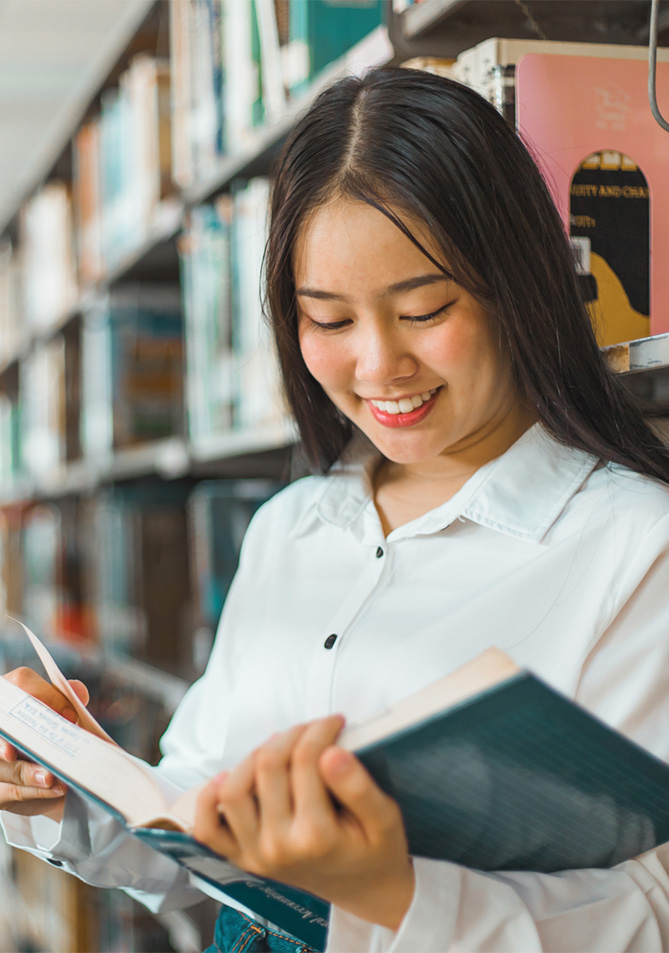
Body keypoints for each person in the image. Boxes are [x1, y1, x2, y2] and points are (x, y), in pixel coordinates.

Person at [2, 66, 669, 953]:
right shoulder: (291, 528)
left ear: (518, 285)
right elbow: (198, 826)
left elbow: (649, 911)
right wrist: (72, 781)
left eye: (423, 309)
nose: (378, 365)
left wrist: (389, 893)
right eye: (328, 319)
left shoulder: (635, 546)